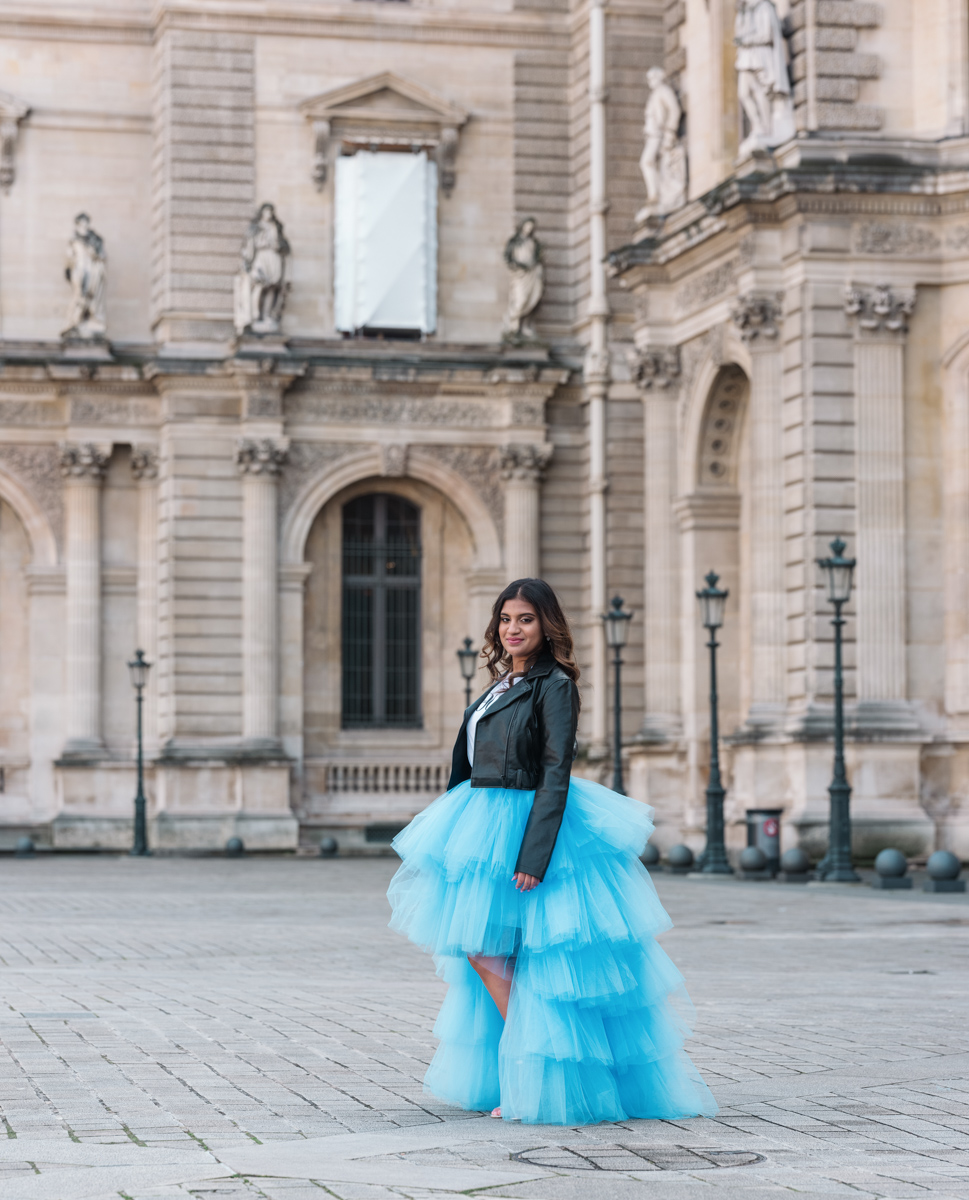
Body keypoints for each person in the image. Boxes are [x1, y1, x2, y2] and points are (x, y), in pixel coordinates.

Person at [388, 578, 717, 1125]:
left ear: (547, 627)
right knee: (488, 949)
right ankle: (529, 1067)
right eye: (506, 619)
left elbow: (555, 771)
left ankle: (540, 1068)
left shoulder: (554, 685)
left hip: (526, 827)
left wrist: (533, 856)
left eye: (526, 619)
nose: (513, 629)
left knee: (519, 955)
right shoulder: (497, 686)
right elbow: (466, 765)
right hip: (480, 823)